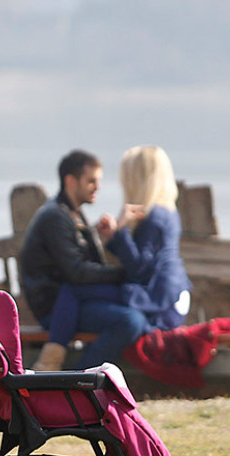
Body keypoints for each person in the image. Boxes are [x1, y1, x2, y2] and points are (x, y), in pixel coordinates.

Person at [31, 145, 192, 370]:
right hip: (164, 294)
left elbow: (139, 269)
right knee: (80, 293)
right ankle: (66, 369)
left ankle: (60, 367)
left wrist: (121, 232)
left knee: (73, 290)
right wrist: (114, 237)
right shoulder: (167, 211)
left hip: (154, 296)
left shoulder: (154, 217)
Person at [19, 149, 145, 371]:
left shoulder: (72, 213)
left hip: (76, 301)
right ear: (70, 181)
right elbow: (76, 272)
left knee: (135, 312)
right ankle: (79, 380)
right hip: (58, 310)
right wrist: (124, 273)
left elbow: (79, 261)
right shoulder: (54, 217)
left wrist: (99, 237)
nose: (97, 187)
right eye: (91, 181)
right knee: (129, 321)